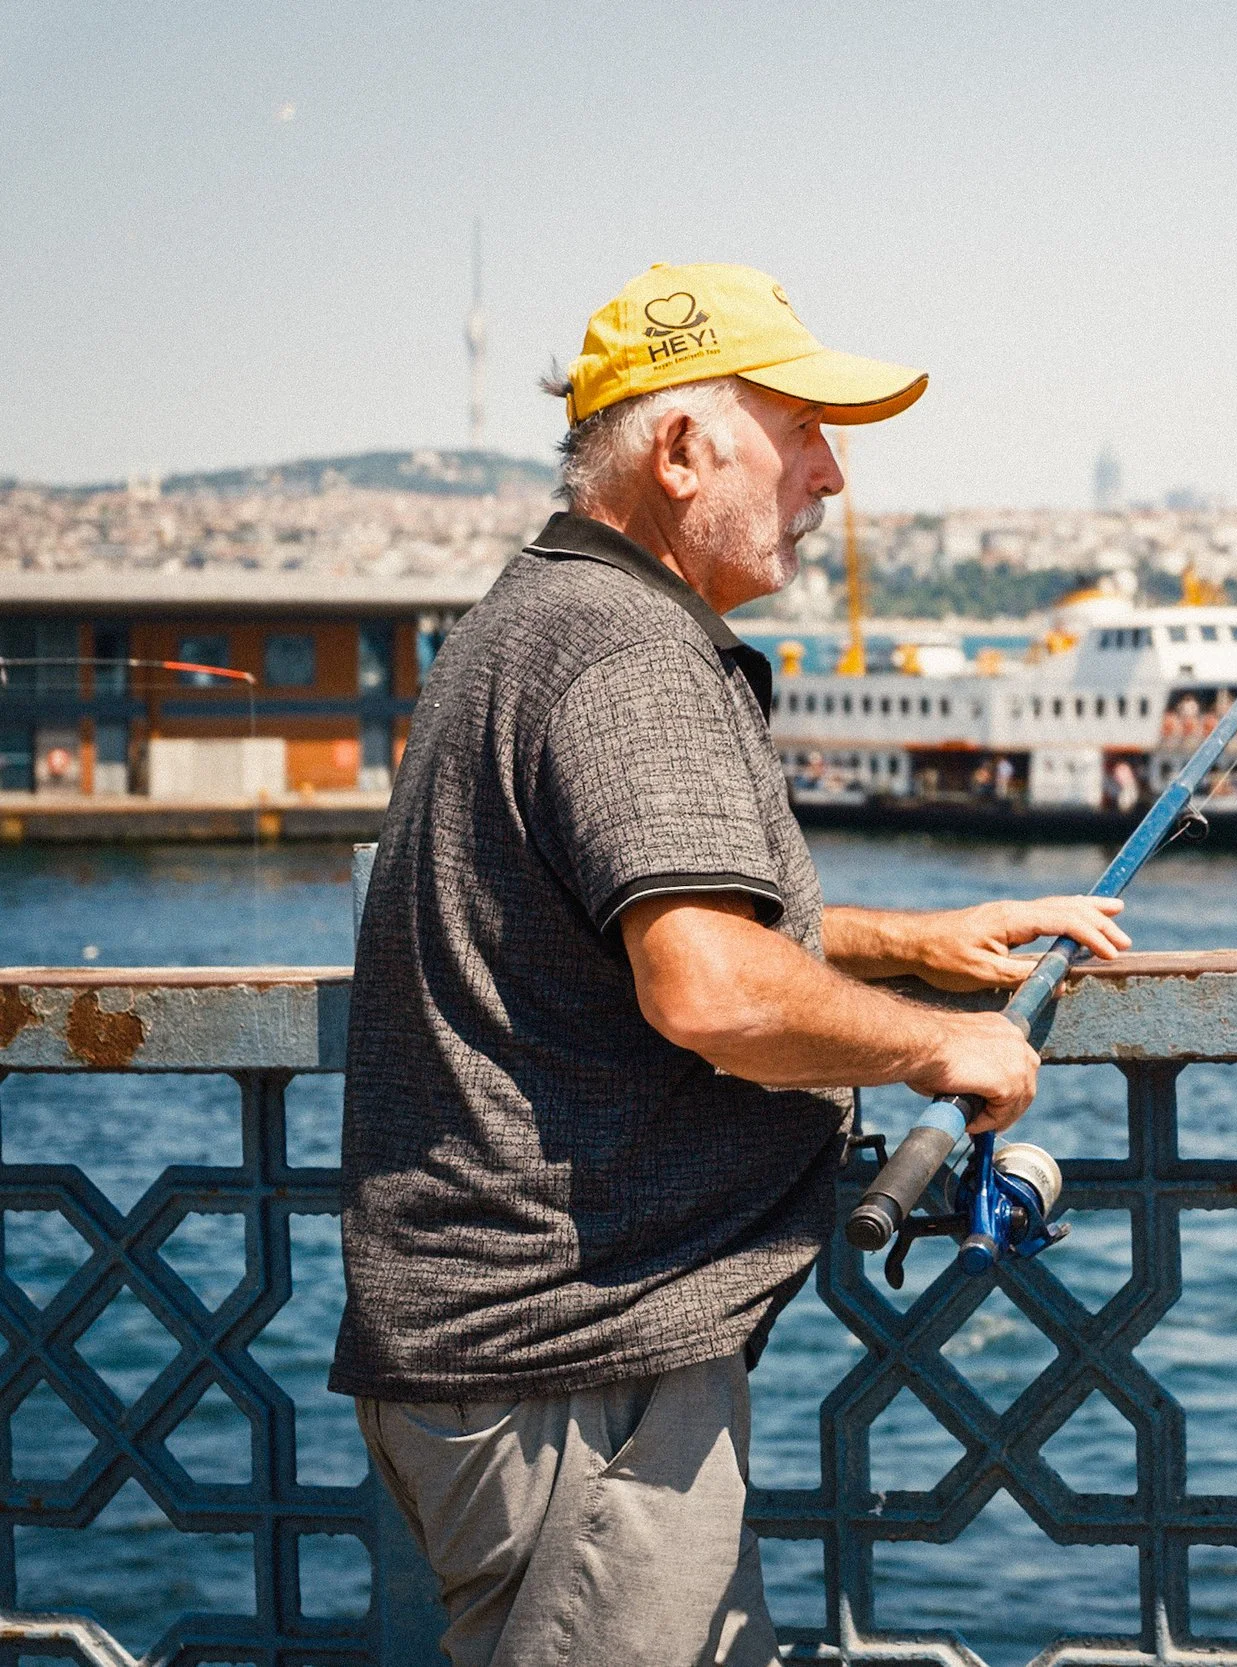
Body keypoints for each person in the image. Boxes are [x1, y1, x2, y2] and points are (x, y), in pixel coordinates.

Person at [332, 262, 1129, 1666]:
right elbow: (702, 981)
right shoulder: (629, 652)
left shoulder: (537, 617)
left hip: (523, 1357)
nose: (832, 475)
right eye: (803, 429)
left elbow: (623, 915)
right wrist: (939, 1041)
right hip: (574, 1368)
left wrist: (906, 942)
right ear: (684, 451)